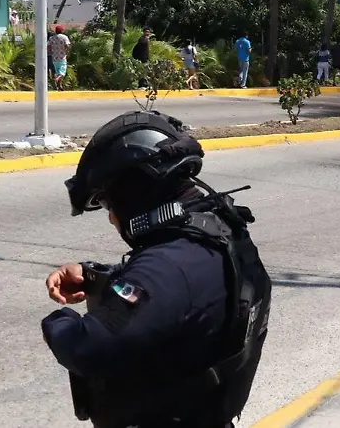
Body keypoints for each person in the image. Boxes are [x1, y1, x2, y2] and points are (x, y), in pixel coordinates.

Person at [43, 111, 271, 428]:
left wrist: (58, 320)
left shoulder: (166, 268)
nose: (111, 218)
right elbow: (178, 296)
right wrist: (96, 276)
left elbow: (88, 347)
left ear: (134, 191)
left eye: (109, 203)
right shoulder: (219, 235)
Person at [49, 24, 72, 91]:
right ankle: (56, 80)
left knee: (58, 72)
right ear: (62, 31)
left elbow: (48, 47)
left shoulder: (51, 38)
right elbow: (67, 45)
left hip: (54, 58)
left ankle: (59, 86)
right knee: (62, 73)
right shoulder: (64, 37)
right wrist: (68, 50)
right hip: (62, 58)